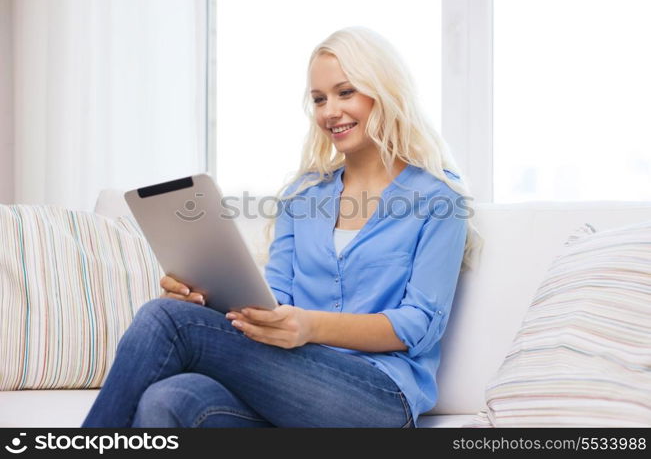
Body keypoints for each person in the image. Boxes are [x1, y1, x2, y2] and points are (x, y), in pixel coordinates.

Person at [82, 26, 482, 428]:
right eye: (319, 99)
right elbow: (275, 300)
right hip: (291, 385)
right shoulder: (302, 195)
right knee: (169, 398)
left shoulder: (438, 199)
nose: (330, 111)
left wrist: (310, 326)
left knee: (164, 319)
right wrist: (204, 299)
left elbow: (419, 325)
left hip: (378, 397)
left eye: (346, 92)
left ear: (385, 92)